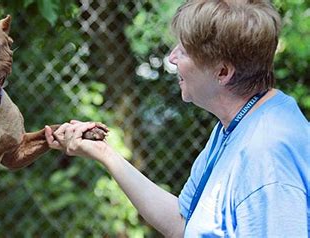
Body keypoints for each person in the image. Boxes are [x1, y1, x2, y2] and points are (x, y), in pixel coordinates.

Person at [44, 0, 310, 237]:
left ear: (222, 72)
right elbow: (181, 223)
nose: (172, 58)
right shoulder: (240, 122)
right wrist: (105, 154)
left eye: (184, 51)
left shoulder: (268, 157)